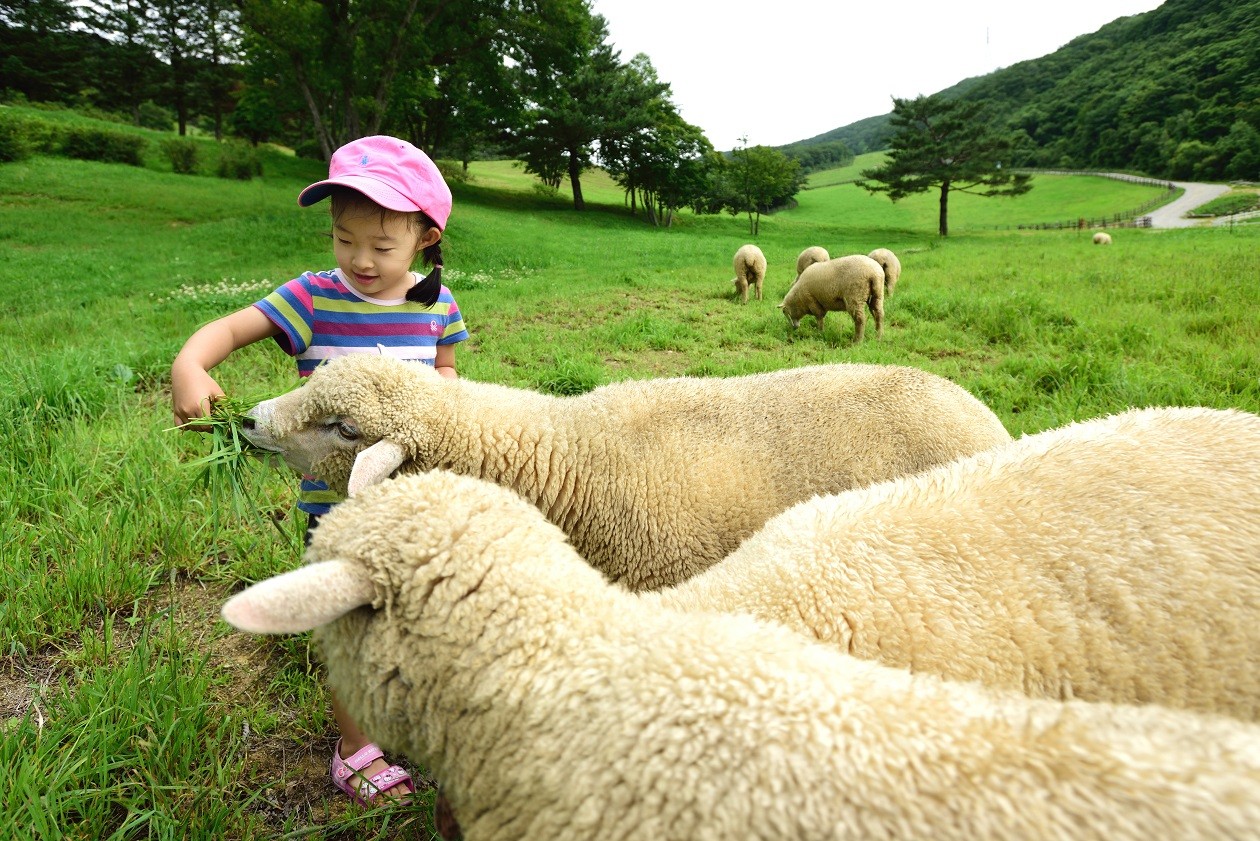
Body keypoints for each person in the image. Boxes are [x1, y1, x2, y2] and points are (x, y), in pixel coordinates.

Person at [171, 135, 468, 806]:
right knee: (352, 625)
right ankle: (356, 747)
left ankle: (411, 712)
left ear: (425, 236)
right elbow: (226, 331)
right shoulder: (311, 298)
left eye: (382, 247)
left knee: (415, 616)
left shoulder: (436, 307)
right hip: (334, 506)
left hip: (415, 499)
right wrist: (191, 363)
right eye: (344, 239)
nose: (360, 260)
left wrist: (446, 400)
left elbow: (448, 371)